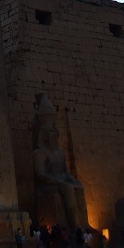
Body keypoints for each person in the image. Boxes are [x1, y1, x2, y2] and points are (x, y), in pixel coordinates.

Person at [33, 93, 88, 231]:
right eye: (49, 133)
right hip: (46, 185)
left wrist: (70, 179)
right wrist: (59, 180)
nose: (53, 136)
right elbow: (40, 175)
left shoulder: (59, 152)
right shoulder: (39, 153)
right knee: (68, 188)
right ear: (43, 135)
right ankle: (75, 225)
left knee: (78, 186)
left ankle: (84, 223)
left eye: (54, 133)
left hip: (59, 181)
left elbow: (64, 171)